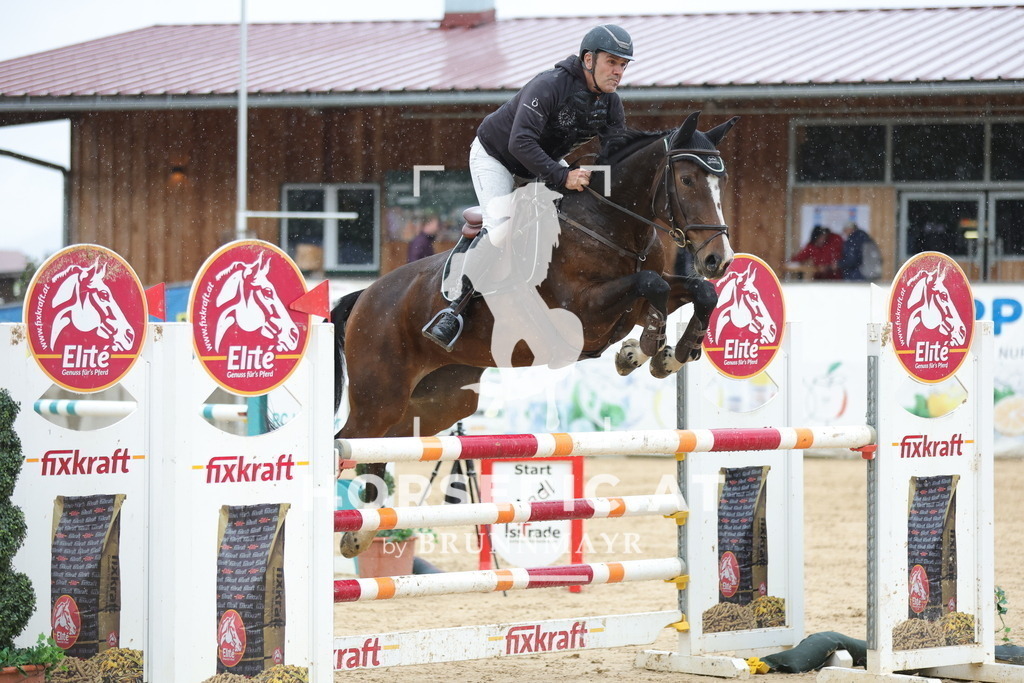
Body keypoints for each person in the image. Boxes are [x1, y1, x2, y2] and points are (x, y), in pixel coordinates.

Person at [423, 24, 634, 350]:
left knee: (577, 215)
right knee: (501, 227)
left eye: (623, 65)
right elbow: (520, 142)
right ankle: (455, 309)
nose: (618, 72)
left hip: (542, 162)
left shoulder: (609, 103)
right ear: (588, 59)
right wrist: (563, 177)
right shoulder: (549, 85)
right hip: (498, 157)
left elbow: (617, 156)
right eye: (612, 62)